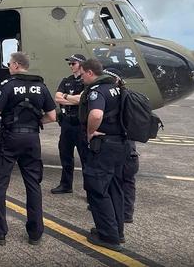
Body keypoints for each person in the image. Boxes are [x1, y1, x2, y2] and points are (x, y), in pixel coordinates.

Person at [0, 52, 56, 246]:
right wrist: (35, 123)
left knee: (0, 184)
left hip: (10, 137)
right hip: (32, 138)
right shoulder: (41, 87)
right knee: (33, 184)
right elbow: (52, 116)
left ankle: (0, 232)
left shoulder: (7, 85)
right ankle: (35, 233)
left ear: (17, 65)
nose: (8, 67)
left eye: (9, 64)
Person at [78, 59, 129, 251]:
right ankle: (118, 232)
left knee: (98, 190)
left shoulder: (97, 91)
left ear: (90, 72)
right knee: (115, 188)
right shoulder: (117, 87)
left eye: (82, 74)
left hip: (104, 146)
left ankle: (108, 237)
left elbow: (96, 114)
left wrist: (91, 132)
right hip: (120, 145)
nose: (81, 77)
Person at [103, 67, 139, 224]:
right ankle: (123, 212)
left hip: (121, 142)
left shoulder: (118, 97)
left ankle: (124, 213)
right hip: (128, 144)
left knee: (122, 179)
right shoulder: (129, 96)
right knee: (123, 180)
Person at [51, 54, 87, 194]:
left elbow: (81, 100)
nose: (71, 66)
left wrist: (66, 97)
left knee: (86, 159)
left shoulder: (86, 82)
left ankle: (90, 190)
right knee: (65, 155)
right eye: (70, 64)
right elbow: (57, 98)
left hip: (80, 124)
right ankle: (66, 184)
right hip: (67, 123)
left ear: (81, 65)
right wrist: (69, 98)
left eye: (74, 63)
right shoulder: (66, 81)